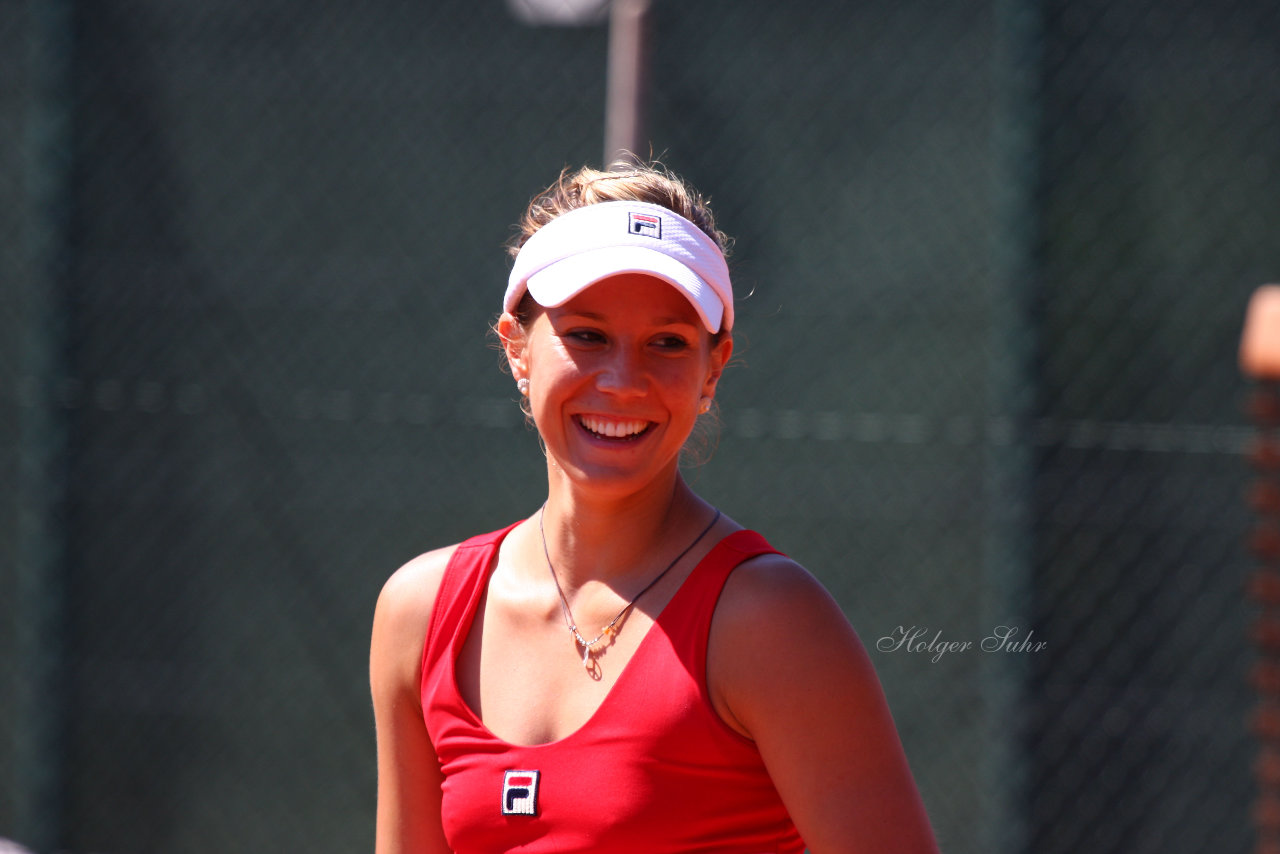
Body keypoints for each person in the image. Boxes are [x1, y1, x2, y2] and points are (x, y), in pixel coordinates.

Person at [370, 163, 939, 853]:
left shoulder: (772, 622)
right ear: (517, 348)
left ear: (713, 369)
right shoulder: (419, 612)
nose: (623, 382)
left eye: (667, 343)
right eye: (586, 335)